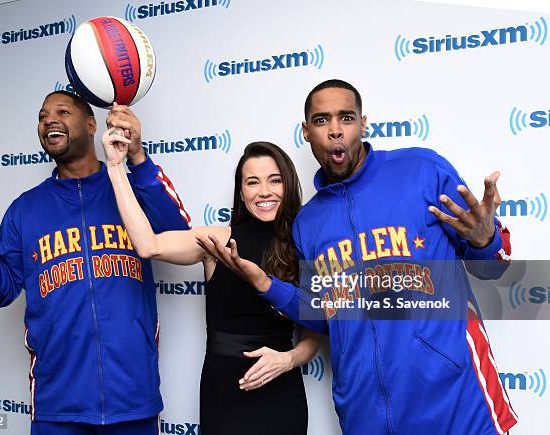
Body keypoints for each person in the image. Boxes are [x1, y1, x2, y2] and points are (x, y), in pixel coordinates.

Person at [198, 80, 518, 435]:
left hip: (455, 405)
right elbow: (321, 315)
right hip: (365, 414)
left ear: (363, 124)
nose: (335, 130)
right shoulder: (309, 222)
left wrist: (485, 240)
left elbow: (494, 268)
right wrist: (264, 284)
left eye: (345, 118)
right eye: (321, 121)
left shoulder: (421, 170)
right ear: (306, 132)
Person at [0, 91, 191, 435]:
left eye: (62, 111)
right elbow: (0, 291)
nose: (49, 120)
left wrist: (137, 157)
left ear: (91, 124)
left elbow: (179, 235)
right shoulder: (25, 209)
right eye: (42, 116)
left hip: (133, 398)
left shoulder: (129, 188)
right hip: (58, 406)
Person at [102, 131, 319, 435]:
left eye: (275, 180)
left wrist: (287, 360)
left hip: (280, 389)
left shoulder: (306, 244)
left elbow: (315, 334)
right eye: (252, 182)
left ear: (289, 185)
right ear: (241, 192)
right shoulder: (219, 240)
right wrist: (115, 167)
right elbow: (148, 245)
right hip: (224, 390)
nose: (264, 191)